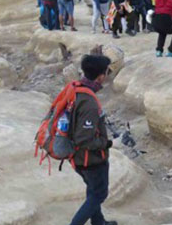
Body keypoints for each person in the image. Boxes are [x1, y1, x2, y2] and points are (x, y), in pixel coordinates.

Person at [68, 54, 117, 225]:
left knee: (92, 190)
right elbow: (85, 139)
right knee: (99, 194)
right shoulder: (89, 102)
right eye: (106, 72)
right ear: (101, 76)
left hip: (78, 157)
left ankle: (99, 222)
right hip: (90, 159)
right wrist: (106, 144)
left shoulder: (78, 90)